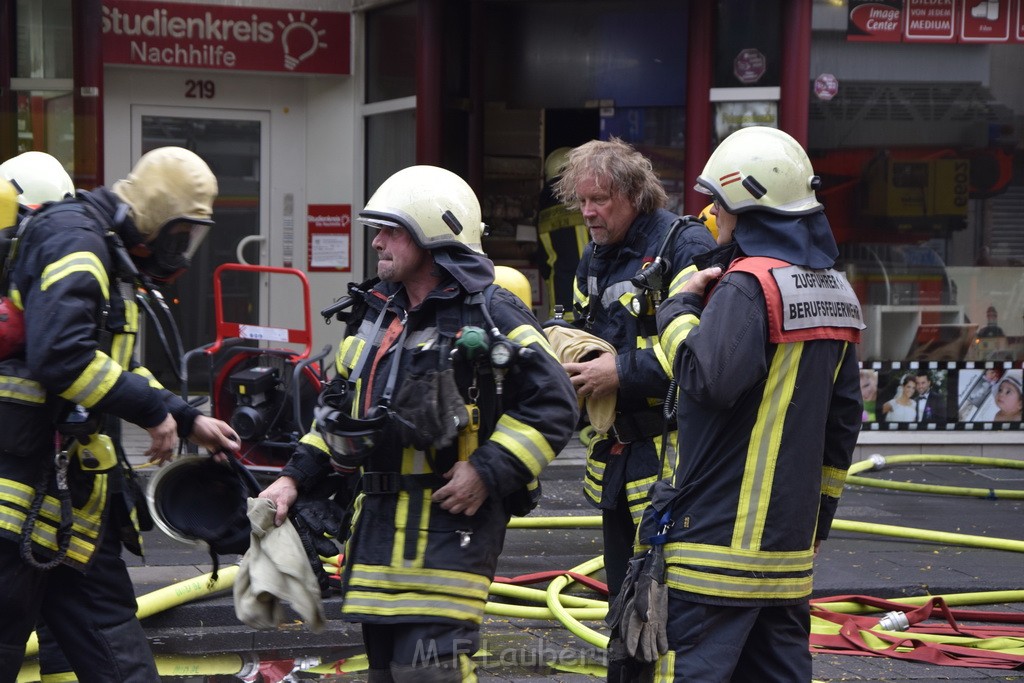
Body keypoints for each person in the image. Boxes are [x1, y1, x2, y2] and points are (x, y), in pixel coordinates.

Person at [258, 165, 578, 682]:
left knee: (430, 675)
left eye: (391, 230)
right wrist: (293, 479)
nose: (377, 241)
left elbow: (555, 401)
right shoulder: (375, 314)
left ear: (433, 232)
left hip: (450, 536)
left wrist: (488, 470)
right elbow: (337, 412)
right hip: (375, 539)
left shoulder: (491, 312)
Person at [0, 147, 241, 680]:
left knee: (122, 663)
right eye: (181, 236)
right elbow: (61, 356)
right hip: (17, 508)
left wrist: (183, 416)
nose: (181, 252)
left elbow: (116, 367)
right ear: (155, 216)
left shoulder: (106, 252)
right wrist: (153, 410)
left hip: (66, 515)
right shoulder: (75, 240)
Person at [651, 126, 863, 681]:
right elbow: (842, 426)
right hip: (787, 556)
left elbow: (708, 378)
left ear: (747, 205)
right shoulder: (836, 293)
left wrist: (675, 315)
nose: (714, 217)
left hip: (715, 552)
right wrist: (818, 522)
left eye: (718, 204)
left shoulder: (748, 285)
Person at [552, 137, 716, 681]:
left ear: (633, 194)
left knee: (669, 605)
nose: (588, 213)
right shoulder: (594, 255)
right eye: (581, 201)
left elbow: (702, 359)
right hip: (620, 462)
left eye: (598, 200)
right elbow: (584, 332)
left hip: (672, 461)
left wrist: (618, 371)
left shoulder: (683, 245)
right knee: (627, 605)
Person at [536, 147, 588, 320]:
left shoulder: (543, 208)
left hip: (559, 299)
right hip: (590, 301)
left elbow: (543, 261)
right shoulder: (586, 199)